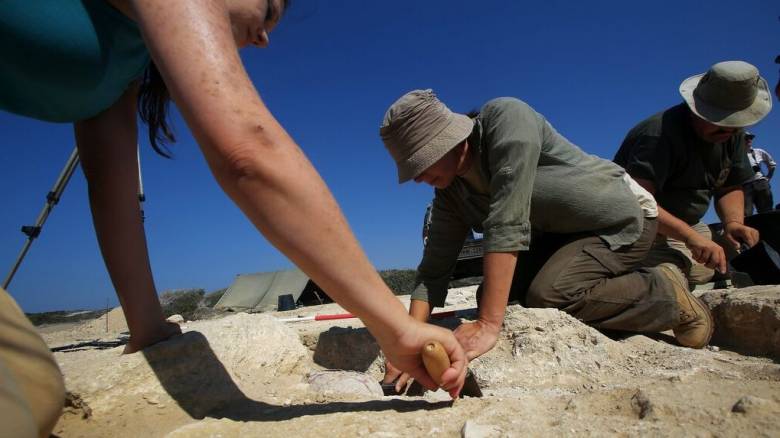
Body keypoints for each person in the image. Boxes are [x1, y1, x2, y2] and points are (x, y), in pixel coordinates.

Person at [0, 1, 466, 435]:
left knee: (39, 395)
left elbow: (110, 186)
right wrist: (397, 329)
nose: (264, 37)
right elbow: (247, 151)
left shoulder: (125, 58)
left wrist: (147, 327)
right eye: (268, 7)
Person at [378, 89, 715, 392]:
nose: (419, 178)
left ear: (450, 138)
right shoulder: (450, 193)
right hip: (560, 239)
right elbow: (433, 269)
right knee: (494, 294)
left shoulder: (505, 119)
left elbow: (507, 221)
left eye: (422, 163)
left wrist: (488, 325)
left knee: (549, 293)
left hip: (619, 222)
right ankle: (632, 280)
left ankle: (666, 294)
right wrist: (409, 339)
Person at [614, 61, 771, 285]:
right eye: (719, 122)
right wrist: (689, 237)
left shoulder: (732, 134)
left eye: (735, 125)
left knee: (739, 261)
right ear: (695, 109)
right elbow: (638, 202)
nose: (728, 131)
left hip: (690, 226)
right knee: (677, 274)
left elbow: (730, 185)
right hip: (644, 227)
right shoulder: (658, 135)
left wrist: (733, 223)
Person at [743, 132, 776, 215]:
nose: (749, 140)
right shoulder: (735, 155)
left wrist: (768, 178)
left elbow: (772, 165)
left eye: (750, 137)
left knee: (767, 212)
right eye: (746, 138)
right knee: (746, 214)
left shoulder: (758, 152)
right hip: (745, 186)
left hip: (761, 183)